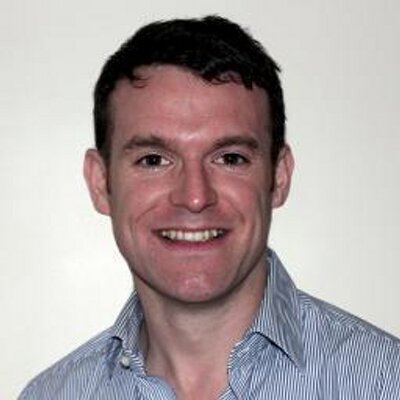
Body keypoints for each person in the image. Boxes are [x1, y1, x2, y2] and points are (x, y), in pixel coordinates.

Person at [19, 15, 400, 400]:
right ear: (100, 183)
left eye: (230, 158)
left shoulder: (386, 383)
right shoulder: (50, 395)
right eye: (153, 160)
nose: (195, 196)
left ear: (279, 177)